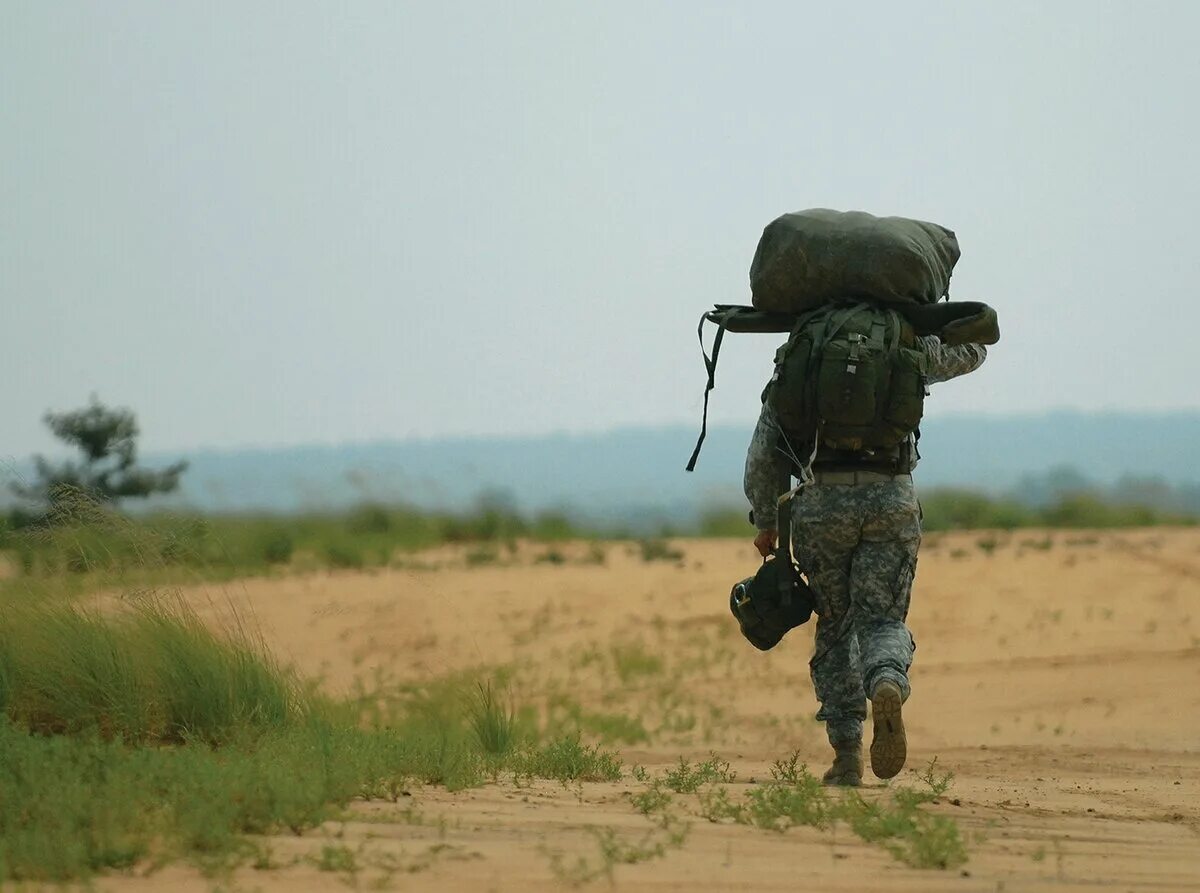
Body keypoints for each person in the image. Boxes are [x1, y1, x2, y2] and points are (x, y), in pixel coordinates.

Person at [743, 334, 987, 786]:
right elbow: (971, 354)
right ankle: (886, 680)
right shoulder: (904, 340)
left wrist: (765, 520)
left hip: (821, 503)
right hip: (890, 498)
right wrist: (954, 333)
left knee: (835, 623)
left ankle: (847, 753)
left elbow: (764, 446)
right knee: (883, 619)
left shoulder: (803, 350)